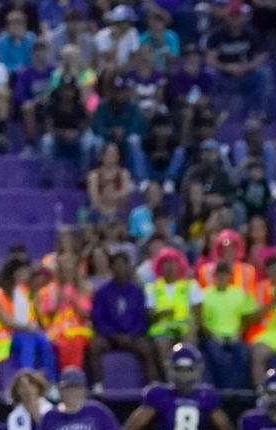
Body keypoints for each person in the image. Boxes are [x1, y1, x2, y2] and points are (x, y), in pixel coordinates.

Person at [90, 250, 164, 384]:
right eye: (116, 265)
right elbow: (98, 319)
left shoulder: (138, 292)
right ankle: (97, 385)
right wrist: (113, 335)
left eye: (123, 265)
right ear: (111, 268)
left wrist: (131, 335)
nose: (120, 268)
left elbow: (142, 318)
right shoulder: (102, 292)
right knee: (94, 346)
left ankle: (153, 385)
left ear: (129, 267)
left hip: (133, 336)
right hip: (109, 336)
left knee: (147, 348)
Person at [204, 0, 272, 116]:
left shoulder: (251, 33)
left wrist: (246, 67)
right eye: (232, 16)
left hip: (246, 73)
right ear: (227, 17)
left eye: (238, 16)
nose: (235, 19)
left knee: (264, 73)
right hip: (224, 74)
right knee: (210, 74)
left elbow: (261, 56)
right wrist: (227, 67)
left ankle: (257, 112)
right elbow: (210, 60)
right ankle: (213, 113)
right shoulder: (217, 35)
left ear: (243, 17)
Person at [198, 258, 257, 389]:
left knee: (242, 354)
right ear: (214, 276)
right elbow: (201, 321)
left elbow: (245, 319)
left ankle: (239, 391)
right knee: (218, 356)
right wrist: (213, 335)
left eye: (225, 274)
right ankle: (221, 390)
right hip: (213, 336)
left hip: (235, 336)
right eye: (219, 274)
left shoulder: (238, 293)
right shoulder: (205, 294)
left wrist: (238, 333)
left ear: (230, 276)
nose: (222, 277)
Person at [146, 246, 203, 360]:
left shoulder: (190, 285)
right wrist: (161, 313)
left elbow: (198, 314)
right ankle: (167, 370)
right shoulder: (152, 288)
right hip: (162, 331)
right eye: (165, 263)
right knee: (161, 344)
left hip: (185, 329)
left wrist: (194, 328)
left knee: (189, 343)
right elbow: (149, 314)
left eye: (173, 263)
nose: (169, 267)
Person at [246, 250, 276, 384]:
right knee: (258, 355)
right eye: (273, 269)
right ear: (267, 271)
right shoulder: (257, 289)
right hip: (265, 334)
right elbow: (250, 318)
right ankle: (261, 390)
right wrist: (270, 305)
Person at [16, 39, 56, 145]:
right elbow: (19, 94)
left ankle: (50, 142)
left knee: (50, 106)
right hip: (33, 104)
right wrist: (32, 101)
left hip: (51, 102)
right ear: (33, 54)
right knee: (27, 108)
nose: (40, 54)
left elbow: (57, 89)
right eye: (37, 51)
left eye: (43, 51)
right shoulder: (25, 72)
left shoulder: (54, 71)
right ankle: (30, 142)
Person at [87, 141, 135, 221]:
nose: (111, 157)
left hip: (119, 209)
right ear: (102, 156)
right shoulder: (94, 175)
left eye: (114, 154)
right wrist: (106, 206)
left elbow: (124, 194)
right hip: (99, 210)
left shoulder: (124, 174)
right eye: (108, 154)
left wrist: (108, 197)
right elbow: (94, 198)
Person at [0, 8, 38, 72]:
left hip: (28, 74)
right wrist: (18, 70)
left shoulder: (31, 39)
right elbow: (2, 63)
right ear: (7, 26)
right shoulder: (2, 41)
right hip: (9, 74)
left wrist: (25, 70)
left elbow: (34, 60)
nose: (16, 26)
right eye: (13, 23)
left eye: (20, 23)